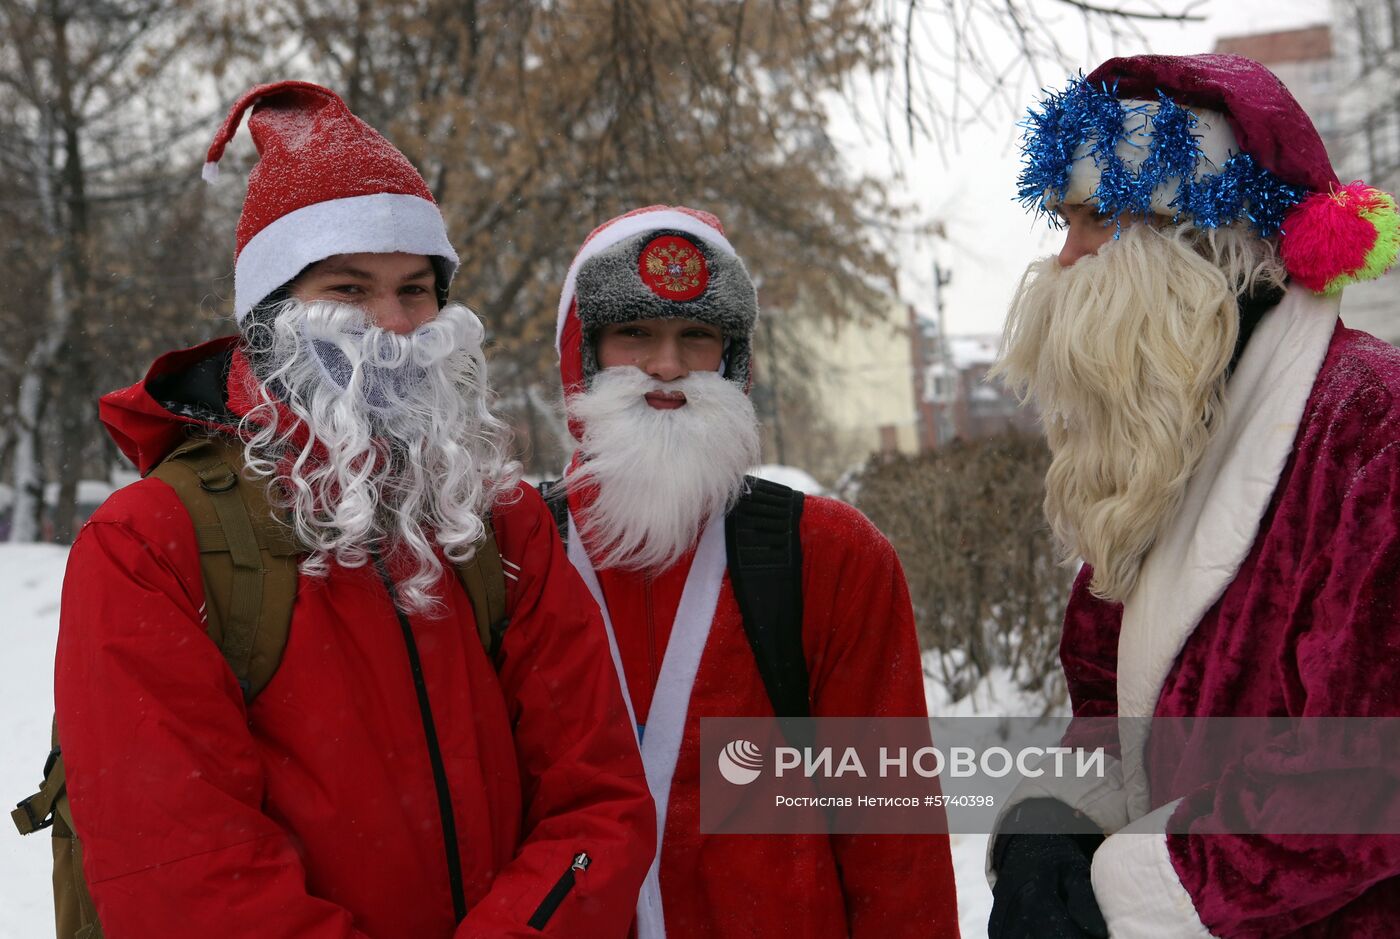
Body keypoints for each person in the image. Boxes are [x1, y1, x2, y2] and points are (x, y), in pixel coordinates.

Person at [50, 81, 654, 938]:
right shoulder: (148, 544)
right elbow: (182, 876)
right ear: (269, 317)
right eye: (348, 288)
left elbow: (598, 805)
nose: (395, 325)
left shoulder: (499, 518)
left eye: (416, 289)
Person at [987, 54, 1400, 937]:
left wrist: (1124, 891)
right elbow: (1108, 700)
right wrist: (1052, 822)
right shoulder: (1161, 431)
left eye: (1095, 220)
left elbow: (1367, 771)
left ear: (1196, 240)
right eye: (1059, 222)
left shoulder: (1372, 429)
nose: (1062, 261)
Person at [545, 205, 961, 937]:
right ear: (581, 351)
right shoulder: (509, 555)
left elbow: (895, 850)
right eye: (634, 334)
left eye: (696, 337)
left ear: (734, 361)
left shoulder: (833, 557)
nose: (666, 367)